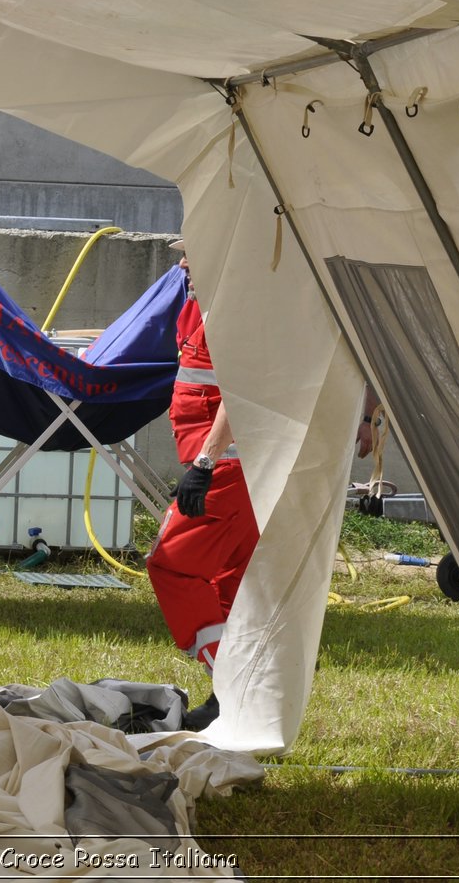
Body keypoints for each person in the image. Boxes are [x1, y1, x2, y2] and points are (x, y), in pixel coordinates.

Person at [145, 239, 260, 731]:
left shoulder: (240, 308)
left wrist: (206, 462)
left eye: (193, 252)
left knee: (172, 567)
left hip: (228, 469)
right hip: (225, 469)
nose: (183, 263)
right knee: (232, 588)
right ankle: (229, 701)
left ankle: (236, 693)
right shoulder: (196, 307)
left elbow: (245, 388)